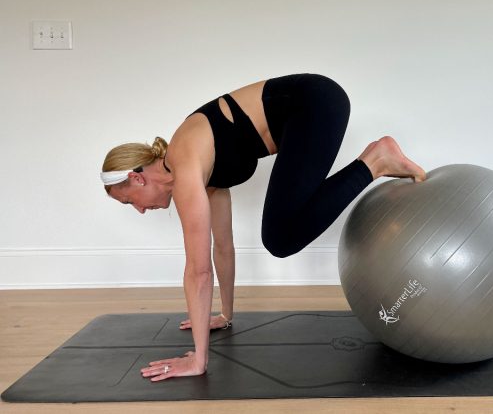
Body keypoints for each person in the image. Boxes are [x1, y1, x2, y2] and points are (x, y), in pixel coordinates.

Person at [100, 73, 426, 382]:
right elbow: (222, 247)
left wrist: (198, 360)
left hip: (311, 102)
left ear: (137, 178)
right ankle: (375, 161)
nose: (141, 210)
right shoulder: (197, 169)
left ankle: (376, 160)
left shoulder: (184, 167)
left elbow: (198, 273)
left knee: (281, 237)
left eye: (131, 201)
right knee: (281, 233)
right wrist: (224, 316)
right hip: (311, 105)